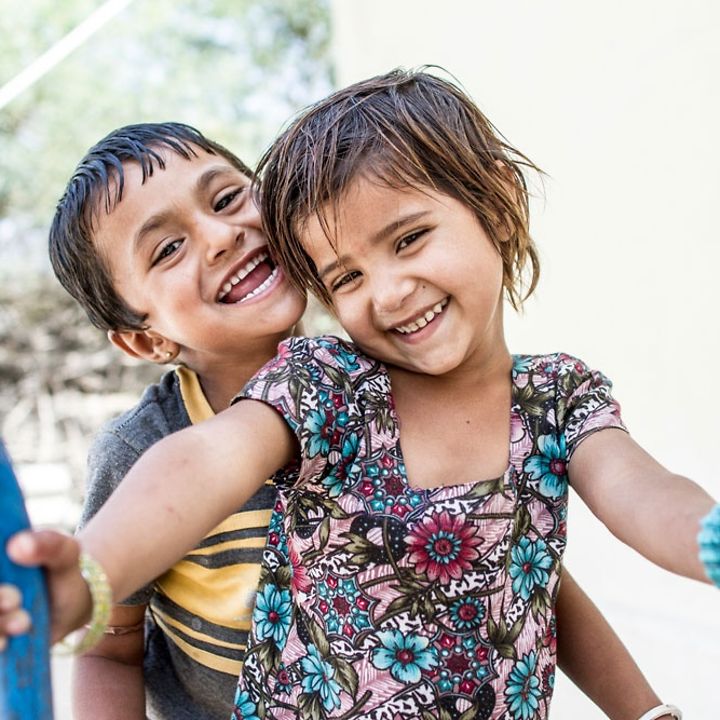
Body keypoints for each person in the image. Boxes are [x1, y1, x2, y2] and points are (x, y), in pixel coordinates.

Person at [3, 70, 715, 718]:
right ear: (143, 339)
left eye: (407, 240)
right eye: (346, 277)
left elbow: (600, 522)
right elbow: (197, 467)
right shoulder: (321, 389)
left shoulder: (541, 397)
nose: (388, 291)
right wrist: (87, 578)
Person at [43, 122, 307, 720]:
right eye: (167, 248)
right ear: (145, 340)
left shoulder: (378, 384)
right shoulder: (142, 449)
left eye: (227, 198)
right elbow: (110, 650)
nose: (220, 236)